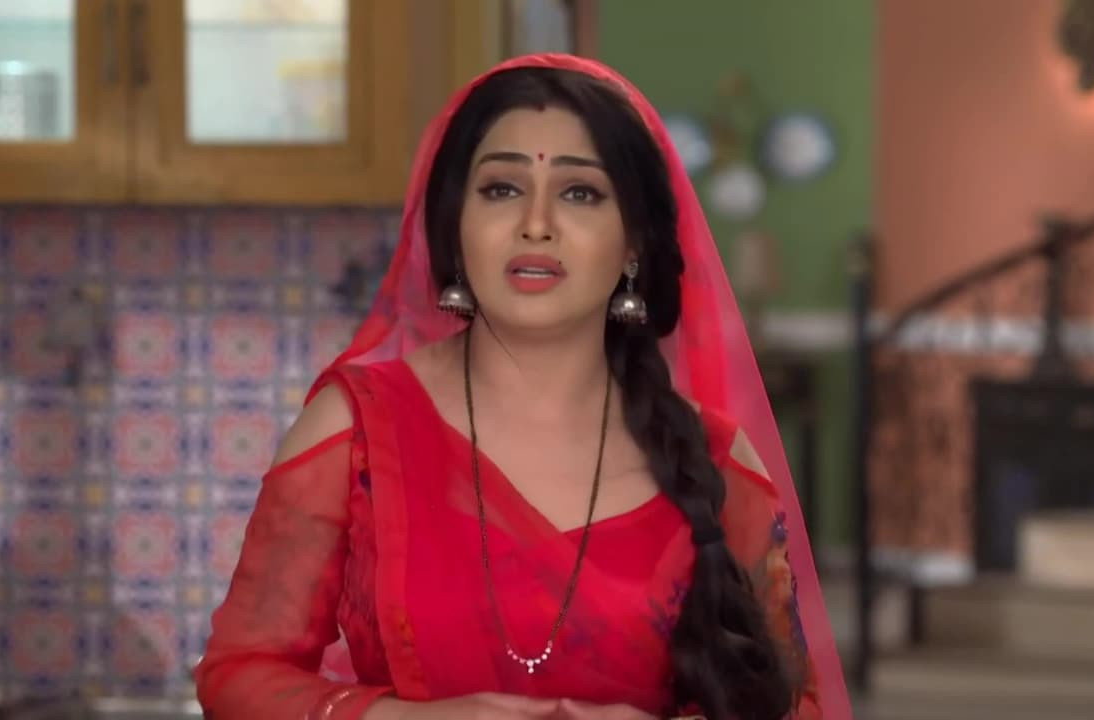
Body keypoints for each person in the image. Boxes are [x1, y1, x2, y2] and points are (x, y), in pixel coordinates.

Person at [195, 54, 850, 720]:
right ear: (455, 225)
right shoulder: (355, 429)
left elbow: (795, 706)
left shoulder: (713, 461)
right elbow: (239, 673)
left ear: (635, 242)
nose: (536, 224)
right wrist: (409, 719)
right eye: (501, 189)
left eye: (580, 193)